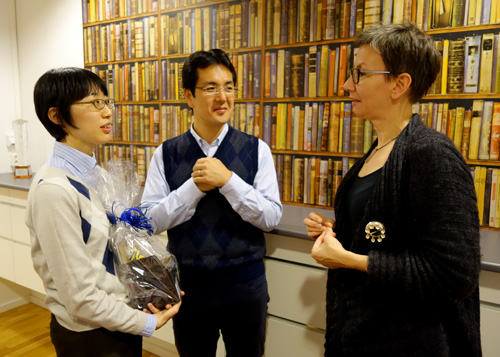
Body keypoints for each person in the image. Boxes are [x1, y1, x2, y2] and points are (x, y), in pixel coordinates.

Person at [304, 22, 481, 356]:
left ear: (399, 84)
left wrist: (350, 259)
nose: (346, 85)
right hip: (359, 335)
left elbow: (454, 274)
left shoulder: (431, 154)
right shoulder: (376, 150)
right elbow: (392, 235)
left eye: (359, 74)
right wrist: (340, 234)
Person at [26, 67, 181, 356]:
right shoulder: (54, 190)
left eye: (107, 102)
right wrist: (144, 322)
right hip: (89, 336)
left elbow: (110, 253)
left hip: (118, 321)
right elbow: (80, 298)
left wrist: (153, 286)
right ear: (57, 116)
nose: (108, 112)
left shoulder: (97, 175)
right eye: (95, 103)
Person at [142, 49, 283, 356]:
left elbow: (272, 217)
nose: (223, 96)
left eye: (229, 86)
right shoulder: (165, 153)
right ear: (189, 97)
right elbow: (150, 220)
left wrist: (229, 182)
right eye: (211, 88)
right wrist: (193, 187)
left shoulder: (257, 149)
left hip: (245, 284)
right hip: (189, 287)